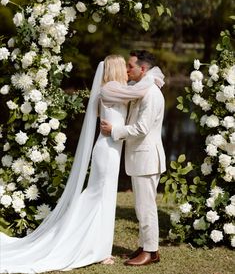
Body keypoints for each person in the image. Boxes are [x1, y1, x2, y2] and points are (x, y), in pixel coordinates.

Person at [0, 55, 161, 273]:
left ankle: (109, 248)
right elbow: (138, 91)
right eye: (124, 67)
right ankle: (86, 242)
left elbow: (136, 93)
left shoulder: (122, 88)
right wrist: (152, 77)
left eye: (130, 67)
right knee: (97, 197)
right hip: (107, 150)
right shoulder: (110, 89)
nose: (127, 72)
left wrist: (149, 78)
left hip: (116, 150)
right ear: (115, 69)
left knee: (105, 200)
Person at [101, 50, 166, 266]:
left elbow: (142, 128)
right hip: (140, 158)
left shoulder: (151, 94)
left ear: (143, 69)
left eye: (130, 66)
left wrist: (115, 130)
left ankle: (151, 251)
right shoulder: (141, 91)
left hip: (147, 158)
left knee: (146, 206)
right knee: (141, 206)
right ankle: (144, 246)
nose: (127, 70)